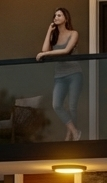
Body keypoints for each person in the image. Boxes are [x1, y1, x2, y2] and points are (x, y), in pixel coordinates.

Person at [35, 7, 83, 141]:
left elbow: (66, 51)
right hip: (60, 76)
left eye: (59, 15)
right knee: (56, 104)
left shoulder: (74, 33)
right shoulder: (54, 36)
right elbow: (44, 49)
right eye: (55, 15)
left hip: (74, 73)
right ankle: (74, 131)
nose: (56, 17)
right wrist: (49, 31)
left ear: (66, 18)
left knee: (72, 105)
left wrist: (46, 54)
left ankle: (70, 134)